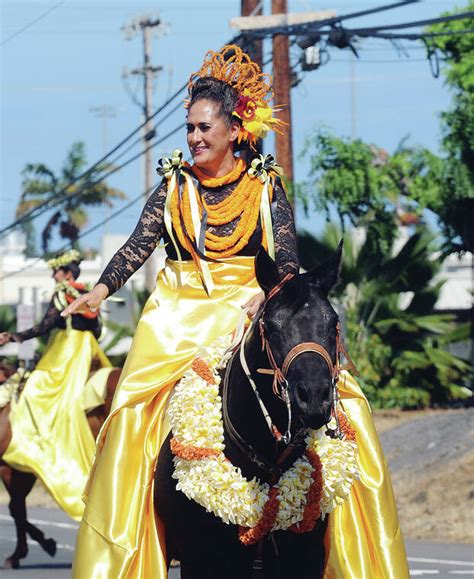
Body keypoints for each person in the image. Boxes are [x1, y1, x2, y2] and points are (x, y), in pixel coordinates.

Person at [65, 45, 408, 578]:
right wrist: (102, 289)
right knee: (131, 418)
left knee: (352, 409)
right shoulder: (174, 185)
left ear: (233, 129)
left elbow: (287, 256)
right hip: (178, 316)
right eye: (190, 128)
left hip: (250, 305)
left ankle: (358, 557)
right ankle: (129, 550)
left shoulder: (265, 183)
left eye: (205, 127)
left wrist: (270, 295)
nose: (196, 138)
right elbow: (140, 243)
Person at [0, 249, 112, 520]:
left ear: (67, 273)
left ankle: (41, 441)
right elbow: (97, 330)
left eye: (56, 271)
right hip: (89, 349)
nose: (53, 275)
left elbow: (47, 325)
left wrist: (15, 336)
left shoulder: (62, 293)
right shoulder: (87, 293)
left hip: (67, 352)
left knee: (37, 387)